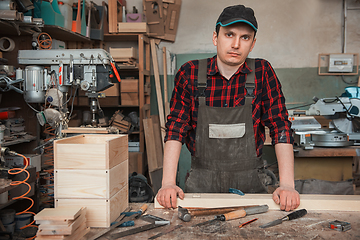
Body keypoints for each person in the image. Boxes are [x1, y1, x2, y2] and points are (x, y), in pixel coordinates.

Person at [156, 4, 300, 211]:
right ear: (216, 37)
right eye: (229, 34)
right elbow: (176, 128)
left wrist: (287, 185)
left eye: (245, 37)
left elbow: (281, 127)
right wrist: (168, 183)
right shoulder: (190, 73)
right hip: (201, 185)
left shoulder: (263, 72)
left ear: (252, 44)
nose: (235, 44)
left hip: (250, 183)